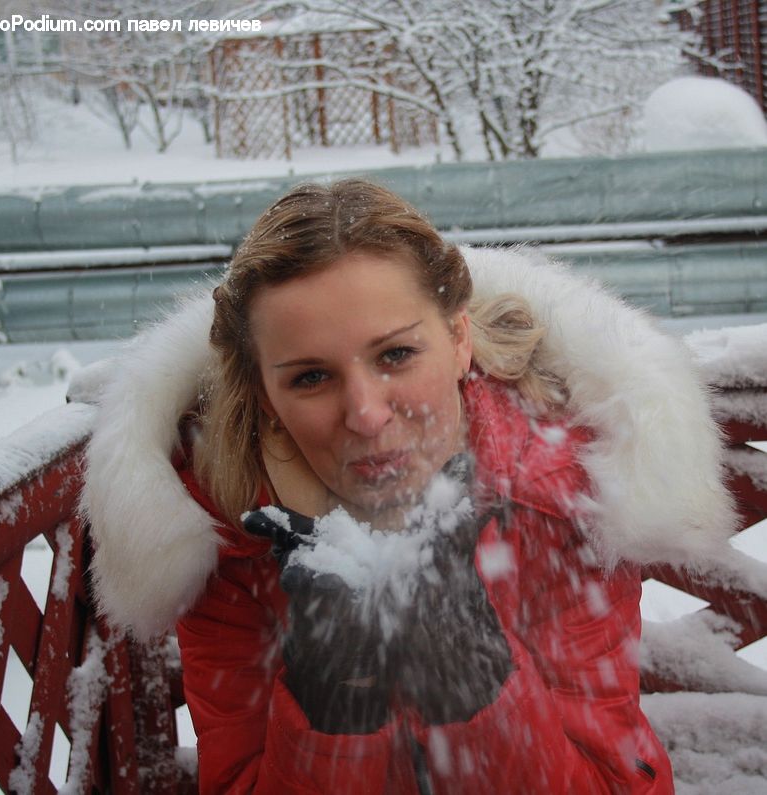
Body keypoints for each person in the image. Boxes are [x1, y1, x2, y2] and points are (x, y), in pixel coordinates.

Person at [82, 179, 736, 793]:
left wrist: (476, 684)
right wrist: (332, 697)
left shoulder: (553, 492)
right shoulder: (227, 528)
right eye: (310, 377)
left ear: (458, 339)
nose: (366, 413)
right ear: (262, 392)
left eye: (396, 354)